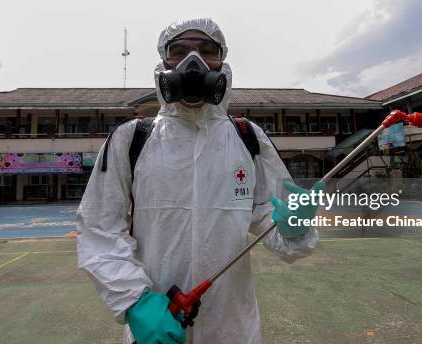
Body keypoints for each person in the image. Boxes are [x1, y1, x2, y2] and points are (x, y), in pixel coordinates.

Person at [76, 18, 319, 344]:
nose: (195, 62)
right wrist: (135, 301)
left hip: (232, 327)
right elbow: (98, 230)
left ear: (222, 62)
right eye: (179, 51)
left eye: (208, 51)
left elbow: (266, 213)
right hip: (157, 326)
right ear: (164, 62)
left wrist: (293, 229)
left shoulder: (247, 136)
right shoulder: (130, 139)